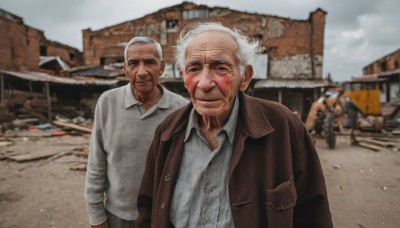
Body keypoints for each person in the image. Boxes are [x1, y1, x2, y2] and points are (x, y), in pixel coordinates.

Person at [136, 22, 333, 227]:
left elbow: (314, 214)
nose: (204, 83)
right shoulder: (167, 132)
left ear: (245, 77)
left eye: (220, 68)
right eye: (193, 69)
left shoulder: (284, 127)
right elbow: (147, 209)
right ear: (185, 78)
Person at [84, 37, 188, 228]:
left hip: (165, 215)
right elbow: (96, 165)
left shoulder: (182, 109)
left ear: (162, 67)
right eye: (133, 63)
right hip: (118, 216)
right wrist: (96, 216)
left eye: (149, 62)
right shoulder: (107, 103)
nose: (141, 72)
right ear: (125, 69)